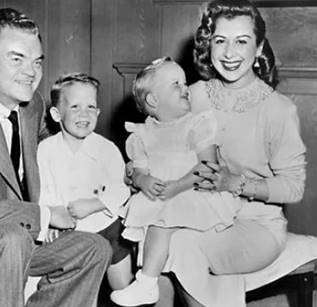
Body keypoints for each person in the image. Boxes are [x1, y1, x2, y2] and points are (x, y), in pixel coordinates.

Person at [124, 0, 306, 306]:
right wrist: (137, 173)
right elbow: (152, 143)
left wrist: (235, 183)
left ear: (259, 47)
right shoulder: (189, 95)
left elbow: (293, 187)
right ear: (209, 46)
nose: (230, 53)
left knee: (178, 243)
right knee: (154, 230)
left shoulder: (279, 110)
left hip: (255, 226)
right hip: (193, 209)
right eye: (220, 41)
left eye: (242, 41)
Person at [0, 8, 112, 307]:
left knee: (93, 248)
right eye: (17, 58)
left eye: (37, 61)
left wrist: (104, 165)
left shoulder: (32, 105)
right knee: (12, 239)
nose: (31, 72)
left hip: (19, 236)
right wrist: (45, 215)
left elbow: (54, 145)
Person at [110, 57, 242, 306]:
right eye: (175, 84)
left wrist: (176, 186)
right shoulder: (142, 134)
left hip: (194, 192)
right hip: (160, 198)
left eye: (185, 83)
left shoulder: (196, 125)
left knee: (160, 224)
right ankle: (154, 288)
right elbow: (137, 171)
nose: (185, 89)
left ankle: (145, 282)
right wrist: (143, 179)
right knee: (151, 232)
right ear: (153, 100)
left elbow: (208, 166)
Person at [37, 72, 133, 290]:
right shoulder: (46, 150)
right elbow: (42, 189)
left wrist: (94, 204)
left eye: (91, 107)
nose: (84, 114)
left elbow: (121, 189)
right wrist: (51, 217)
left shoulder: (106, 149)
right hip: (69, 232)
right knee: (79, 288)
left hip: (107, 226)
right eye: (75, 107)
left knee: (122, 286)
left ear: (98, 112)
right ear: (56, 113)